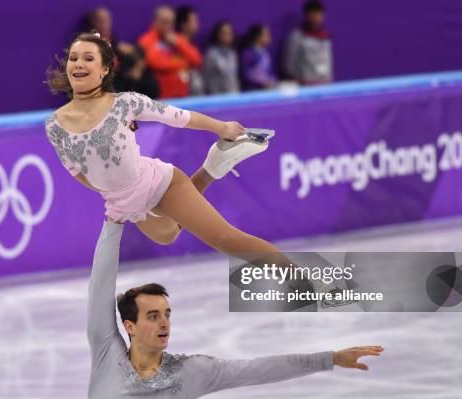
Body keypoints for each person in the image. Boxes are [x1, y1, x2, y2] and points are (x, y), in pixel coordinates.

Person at [44, 32, 345, 303]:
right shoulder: (55, 125)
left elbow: (178, 116)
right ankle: (212, 168)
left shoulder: (124, 103)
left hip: (160, 183)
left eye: (88, 58)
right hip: (124, 202)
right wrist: (114, 193)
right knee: (167, 235)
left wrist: (221, 127)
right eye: (73, 58)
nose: (78, 64)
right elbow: (79, 173)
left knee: (226, 240)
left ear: (105, 69)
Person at [85, 219, 384, 399]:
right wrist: (114, 223)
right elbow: (100, 286)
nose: (164, 323)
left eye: (167, 314)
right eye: (153, 316)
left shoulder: (188, 372)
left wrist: (329, 358)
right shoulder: (106, 356)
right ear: (129, 327)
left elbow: (257, 370)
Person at [138, 6, 202, 98]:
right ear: (155, 21)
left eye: (171, 23)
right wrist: (183, 63)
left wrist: (179, 44)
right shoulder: (146, 40)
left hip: (182, 94)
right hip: (160, 97)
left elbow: (197, 60)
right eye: (164, 22)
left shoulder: (177, 39)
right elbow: (155, 63)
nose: (168, 26)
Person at [283, 0, 333, 85]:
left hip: (325, 83)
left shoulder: (326, 36)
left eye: (319, 13)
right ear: (306, 15)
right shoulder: (296, 36)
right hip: (306, 85)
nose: (316, 16)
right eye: (313, 13)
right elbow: (289, 65)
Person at [202, 20, 240, 94]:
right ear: (217, 34)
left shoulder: (233, 53)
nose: (227, 35)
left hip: (233, 94)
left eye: (230, 33)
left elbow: (234, 76)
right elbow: (205, 77)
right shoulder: (211, 54)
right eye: (224, 33)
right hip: (217, 96)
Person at [175, 5, 203, 95]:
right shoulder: (174, 43)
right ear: (183, 24)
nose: (197, 23)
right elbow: (197, 60)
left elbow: (197, 61)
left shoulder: (189, 44)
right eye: (194, 20)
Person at [239, 24, 277, 91]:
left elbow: (269, 71)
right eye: (266, 34)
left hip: (267, 89)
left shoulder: (265, 53)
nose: (269, 36)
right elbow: (245, 74)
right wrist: (261, 83)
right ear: (257, 37)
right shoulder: (248, 53)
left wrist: (272, 80)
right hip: (253, 91)